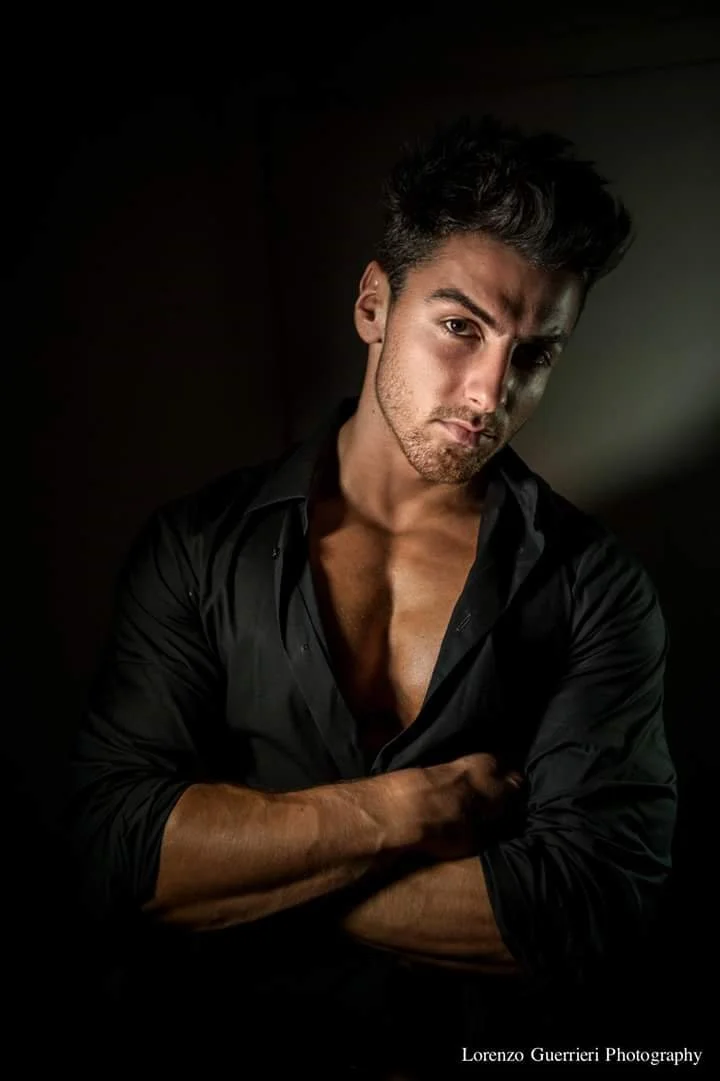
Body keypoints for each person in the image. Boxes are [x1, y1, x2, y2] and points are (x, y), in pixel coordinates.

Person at [66, 115, 676, 1078]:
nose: (490, 392)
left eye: (534, 355)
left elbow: (585, 904)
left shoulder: (593, 584)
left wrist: (246, 863)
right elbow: (114, 845)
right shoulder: (198, 547)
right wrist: (402, 811)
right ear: (372, 305)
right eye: (461, 327)